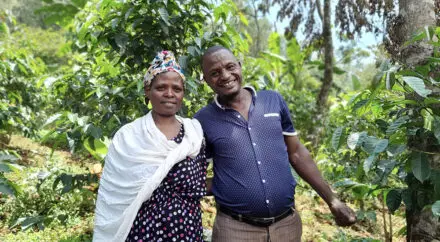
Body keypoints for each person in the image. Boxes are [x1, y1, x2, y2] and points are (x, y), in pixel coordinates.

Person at [194, 46, 356, 242]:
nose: (226, 75)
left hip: (286, 226)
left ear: (240, 65)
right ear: (205, 79)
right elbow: (194, 175)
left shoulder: (272, 100)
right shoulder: (203, 120)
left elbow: (296, 154)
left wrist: (332, 200)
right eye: (215, 73)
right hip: (235, 230)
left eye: (230, 67)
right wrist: (224, 184)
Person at [93, 51, 206, 242]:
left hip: (187, 232)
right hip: (142, 233)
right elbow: (113, 196)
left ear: (183, 94)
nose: (169, 94)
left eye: (176, 89)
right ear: (147, 90)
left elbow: (200, 184)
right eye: (161, 87)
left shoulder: (194, 135)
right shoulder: (129, 136)